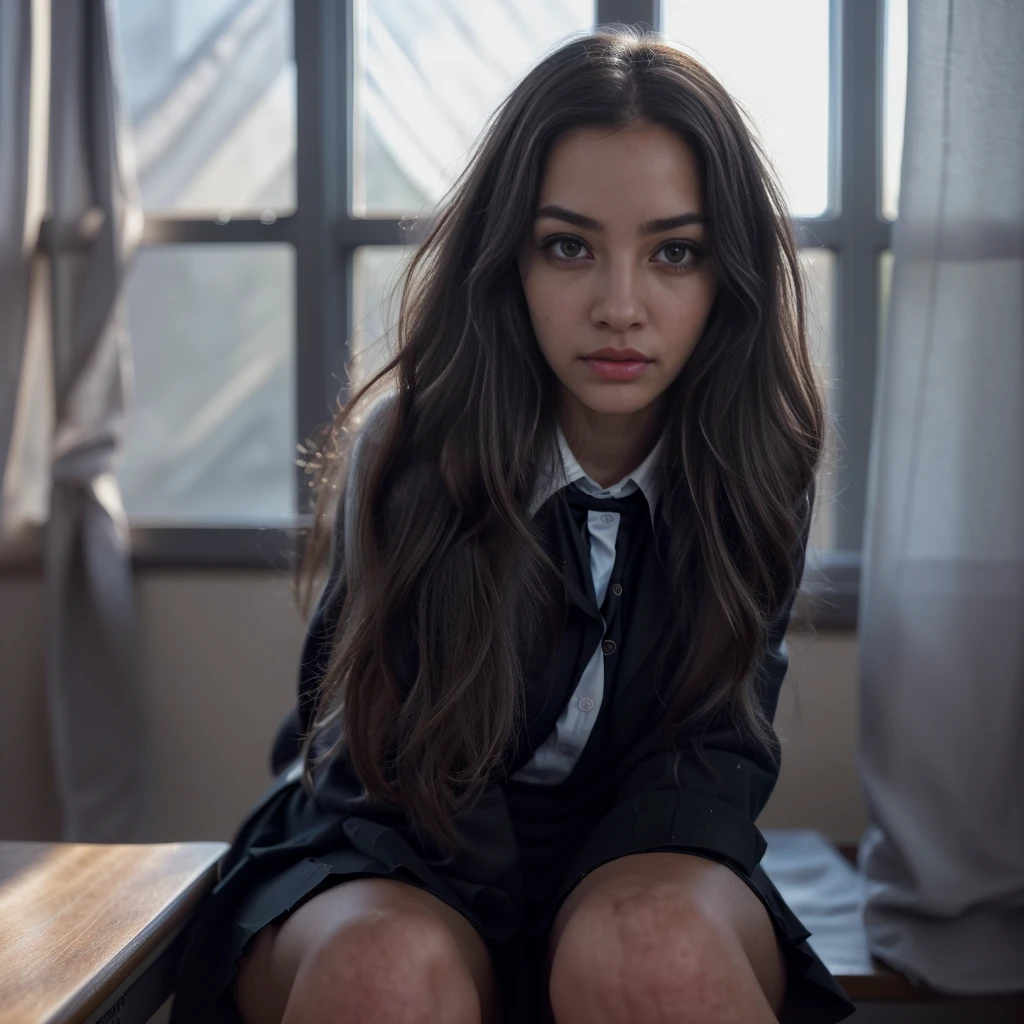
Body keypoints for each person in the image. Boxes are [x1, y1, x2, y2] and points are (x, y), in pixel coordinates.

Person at [169, 28, 856, 1024]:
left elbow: (712, 756)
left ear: (726, 274)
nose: (620, 307)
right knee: (383, 974)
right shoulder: (407, 449)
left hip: (640, 848)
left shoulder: (760, 455)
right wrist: (519, 955)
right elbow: (380, 759)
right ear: (510, 260)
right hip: (392, 841)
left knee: (648, 954)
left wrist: (589, 925)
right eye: (568, 246)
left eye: (673, 252)